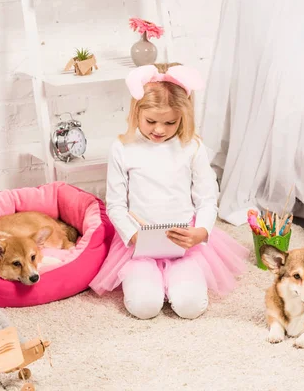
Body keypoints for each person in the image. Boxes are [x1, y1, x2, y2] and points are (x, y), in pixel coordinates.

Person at [89, 62, 249, 320]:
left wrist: (201, 232)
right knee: (144, 307)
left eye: (170, 123)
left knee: (190, 307)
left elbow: (207, 199)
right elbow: (116, 205)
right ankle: (153, 283)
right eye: (151, 121)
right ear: (136, 112)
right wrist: (133, 236)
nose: (159, 130)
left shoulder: (192, 147)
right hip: (138, 243)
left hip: (185, 243)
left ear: (182, 118)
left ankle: (176, 281)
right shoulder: (122, 148)